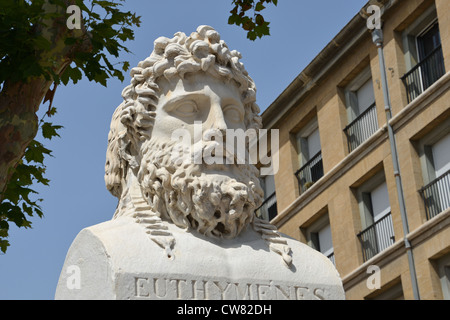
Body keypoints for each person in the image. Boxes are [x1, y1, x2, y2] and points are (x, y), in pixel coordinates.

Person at [55, 26, 345, 300]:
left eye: (232, 114)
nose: (219, 128)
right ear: (136, 138)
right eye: (189, 108)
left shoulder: (311, 267)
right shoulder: (103, 250)